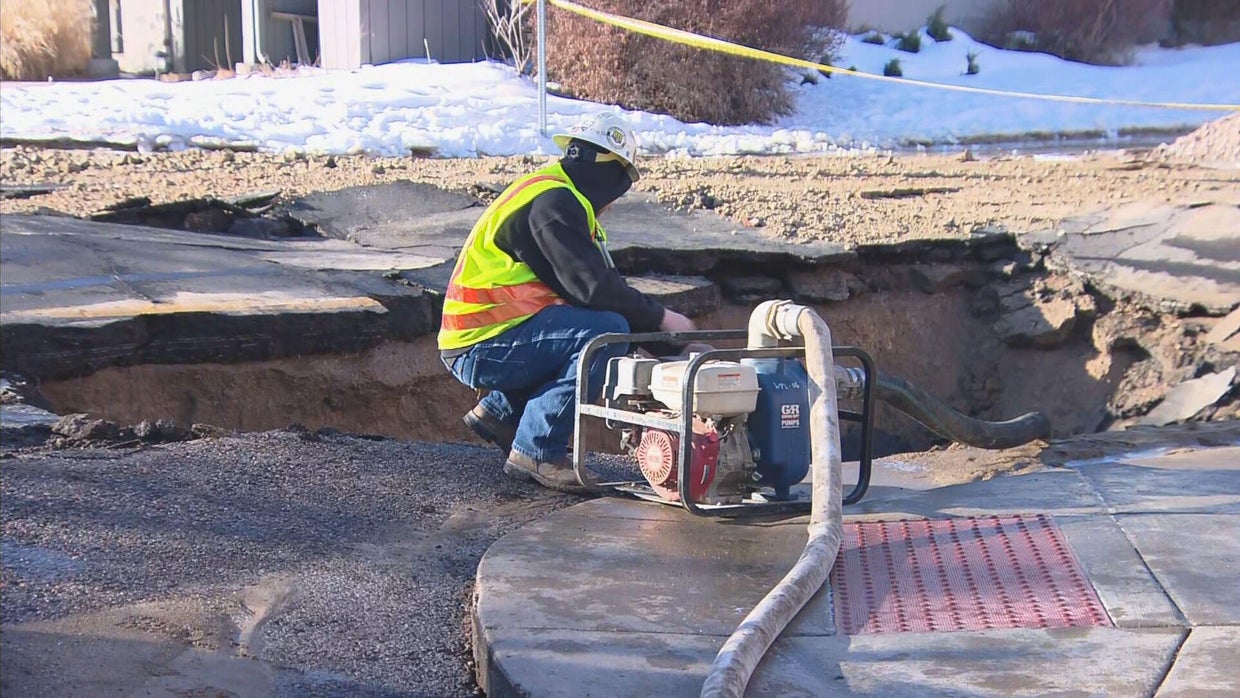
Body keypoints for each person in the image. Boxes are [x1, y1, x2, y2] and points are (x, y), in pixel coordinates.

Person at [438, 111, 696, 494]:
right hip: (482, 343)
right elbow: (594, 290)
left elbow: (594, 293)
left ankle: (500, 413)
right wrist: (664, 323)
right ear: (612, 176)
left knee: (591, 327)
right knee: (606, 333)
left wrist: (668, 346)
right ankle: (538, 449)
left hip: (488, 335)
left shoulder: (552, 193)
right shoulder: (555, 205)